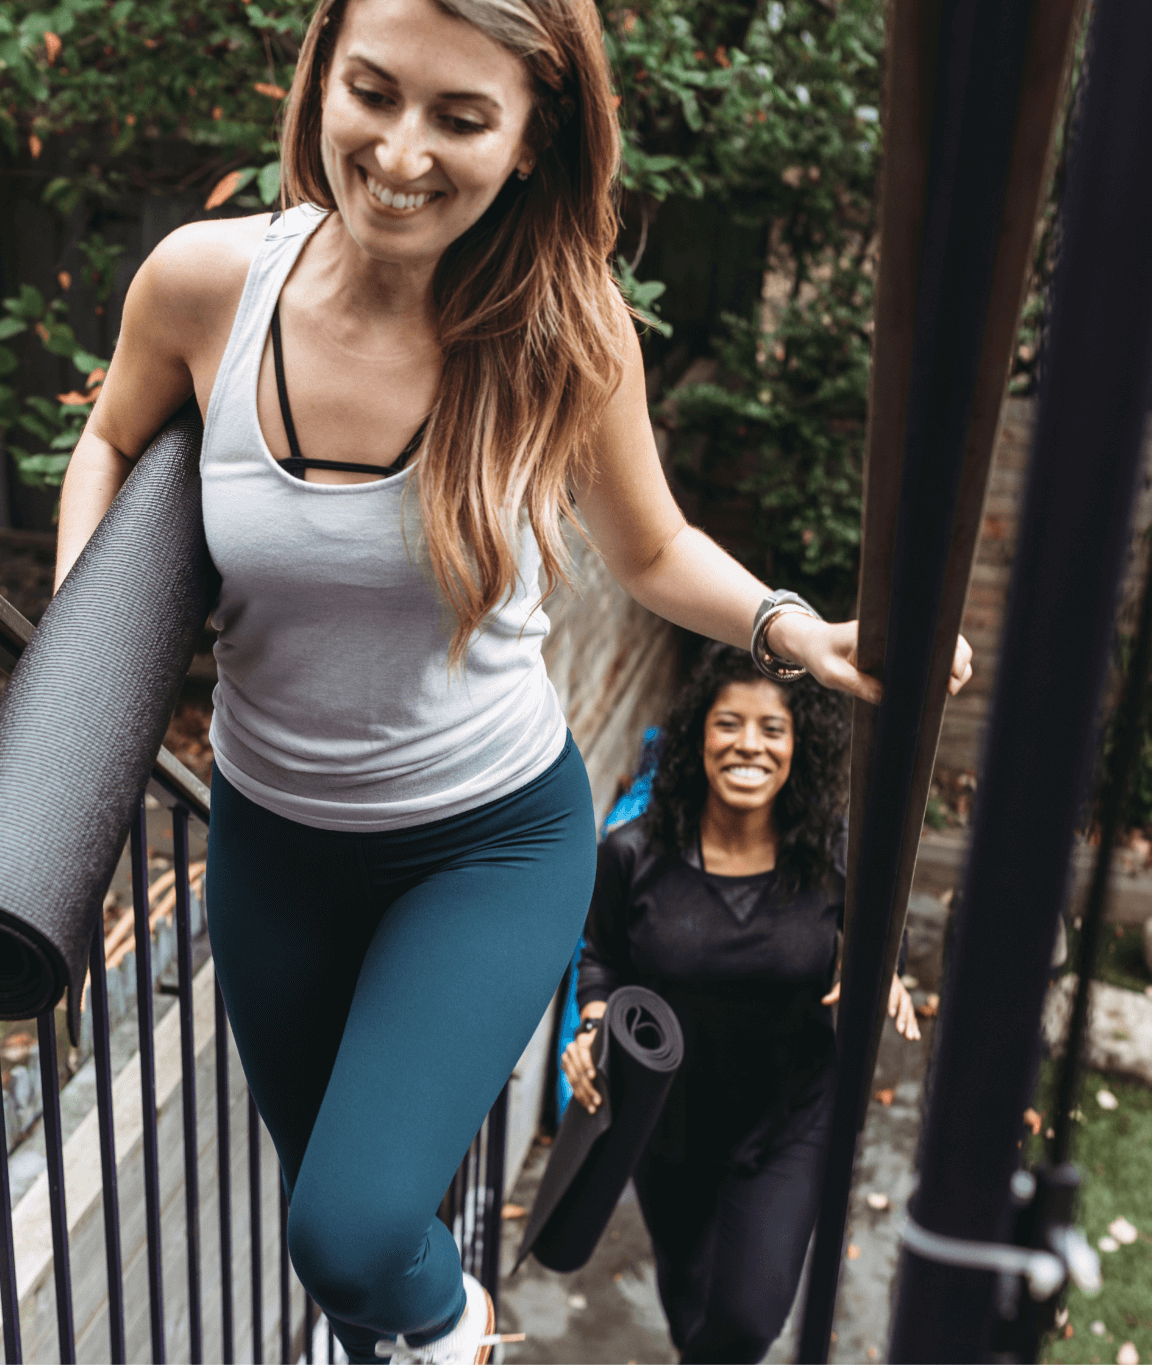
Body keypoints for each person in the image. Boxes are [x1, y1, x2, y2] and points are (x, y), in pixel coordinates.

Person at [53, 0, 971, 1360]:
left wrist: (804, 635)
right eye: (371, 91)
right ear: (321, 80)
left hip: (484, 842)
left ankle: (467, 1331)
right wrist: (86, 658)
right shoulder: (202, 284)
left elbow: (650, 548)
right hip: (271, 844)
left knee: (354, 1234)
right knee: (353, 1265)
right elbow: (113, 443)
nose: (400, 150)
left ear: (536, 142)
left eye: (462, 118)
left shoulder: (564, 334)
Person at [560, 645, 943, 1364]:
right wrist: (592, 1021)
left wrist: (875, 967)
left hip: (791, 1115)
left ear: (800, 746)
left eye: (772, 728)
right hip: (665, 1120)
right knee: (688, 1299)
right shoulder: (631, 853)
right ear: (698, 736)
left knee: (745, 1318)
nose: (748, 744)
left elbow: (876, 933)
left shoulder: (835, 857)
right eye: (728, 722)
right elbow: (601, 954)